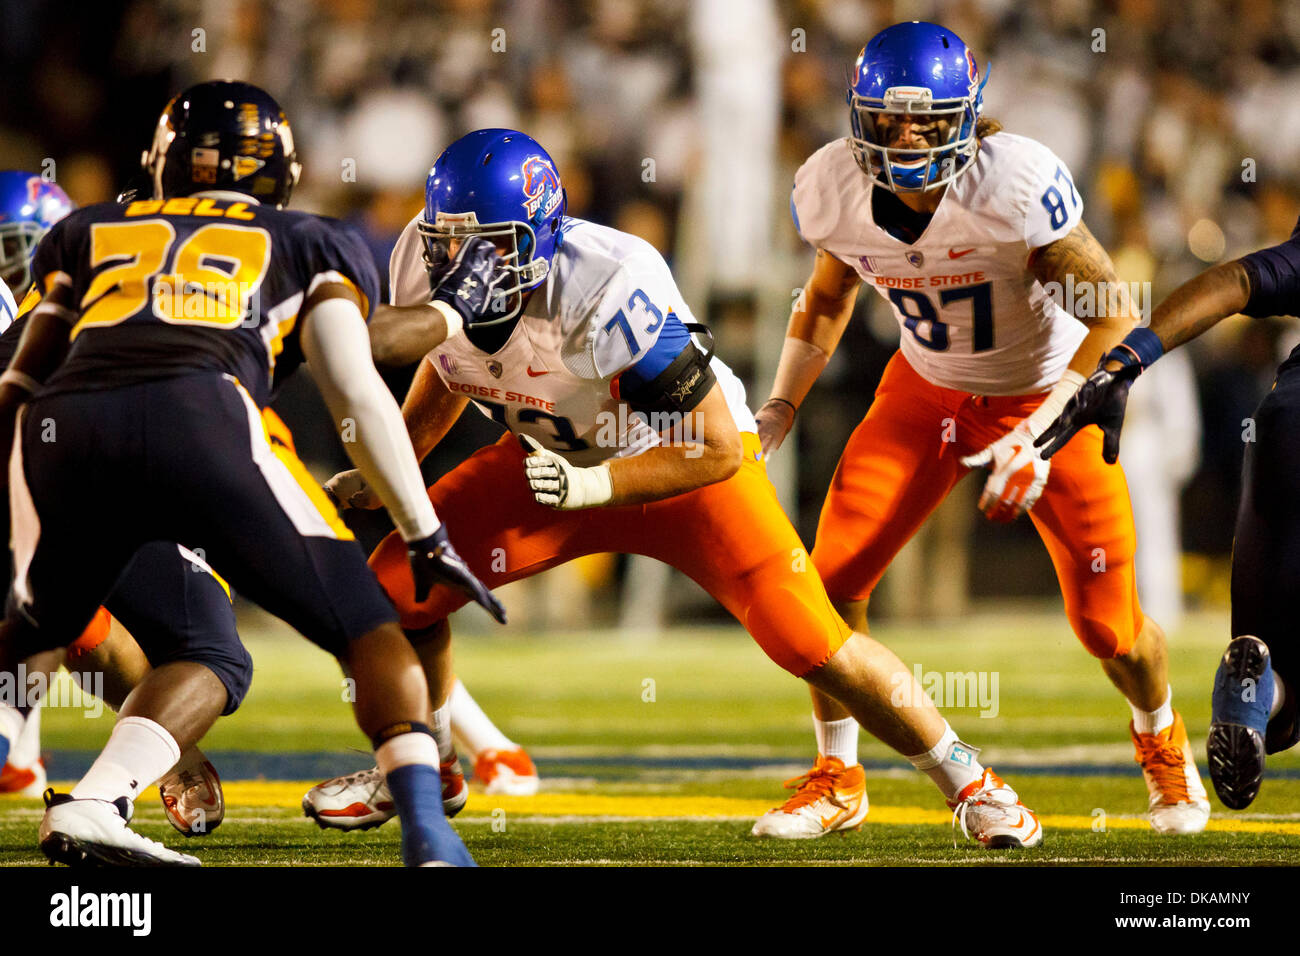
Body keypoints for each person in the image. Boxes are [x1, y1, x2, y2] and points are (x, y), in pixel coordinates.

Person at [304, 127, 1042, 849]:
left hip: (675, 462)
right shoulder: (415, 264)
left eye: (492, 247)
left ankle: (972, 783)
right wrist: (395, 459)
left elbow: (717, 445)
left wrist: (593, 485)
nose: (468, 269)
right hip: (549, 462)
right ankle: (428, 764)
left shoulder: (605, 285)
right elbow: (448, 363)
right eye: (450, 246)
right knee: (396, 590)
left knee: (814, 643)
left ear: (544, 235)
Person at [0, 81, 504, 867]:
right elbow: (359, 388)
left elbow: (22, 386)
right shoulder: (305, 238)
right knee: (368, 630)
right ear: (278, 168)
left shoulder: (88, 229)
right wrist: (423, 529)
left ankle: (74, 787)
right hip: (202, 422)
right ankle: (429, 833)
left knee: (30, 630)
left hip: (68, 435)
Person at [751, 21, 1207, 838]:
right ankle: (838, 775)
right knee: (827, 583)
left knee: (1109, 626)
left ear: (967, 115)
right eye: (890, 119)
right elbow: (826, 297)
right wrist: (782, 400)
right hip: (925, 389)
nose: (910, 136)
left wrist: (1043, 429)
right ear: (861, 117)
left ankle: (1162, 738)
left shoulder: (1013, 183)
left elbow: (1113, 313)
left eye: (930, 118)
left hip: (1046, 390)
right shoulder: (832, 186)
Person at [1034, 209, 1300, 811]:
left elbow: (1234, 279)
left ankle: (1258, 692)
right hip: (1151, 444)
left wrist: (1126, 358)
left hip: (1286, 427)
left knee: (1275, 687)